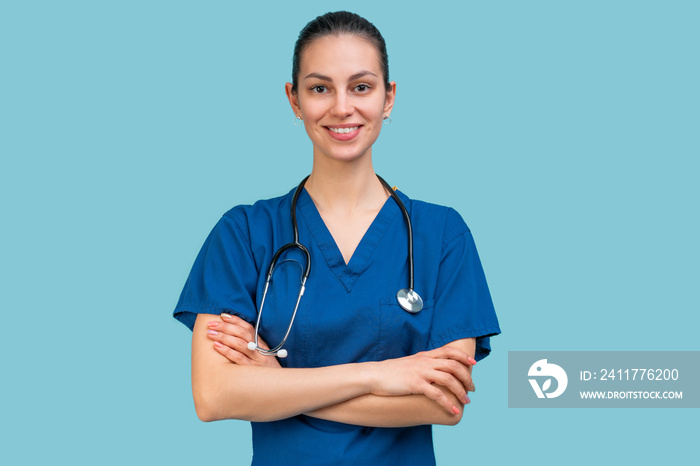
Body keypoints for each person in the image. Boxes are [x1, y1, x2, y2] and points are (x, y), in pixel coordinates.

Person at [173, 11, 500, 465]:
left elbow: (443, 404)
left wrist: (277, 382)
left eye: (361, 87)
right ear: (294, 99)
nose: (341, 107)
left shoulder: (442, 234)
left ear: (389, 97)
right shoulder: (244, 233)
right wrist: (382, 376)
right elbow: (214, 395)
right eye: (320, 88)